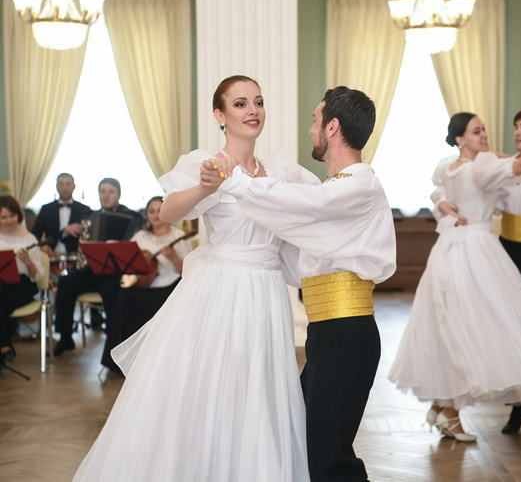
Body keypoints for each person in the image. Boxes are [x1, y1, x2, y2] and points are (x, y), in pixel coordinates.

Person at [72, 75, 312, 481]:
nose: (252, 110)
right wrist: (204, 187)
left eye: (257, 102)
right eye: (239, 104)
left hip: (266, 292)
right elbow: (167, 212)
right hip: (221, 292)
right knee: (213, 389)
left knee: (258, 393)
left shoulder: (282, 171)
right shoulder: (207, 163)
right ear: (220, 115)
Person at [203, 86, 397, 482]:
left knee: (329, 458)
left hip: (348, 333)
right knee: (308, 441)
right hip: (328, 333)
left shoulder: (359, 186)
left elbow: (302, 206)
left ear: (333, 127)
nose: (311, 130)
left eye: (314, 121)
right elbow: (297, 256)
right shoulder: (333, 190)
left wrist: (236, 181)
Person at [388, 113, 521, 442]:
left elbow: (446, 187)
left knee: (452, 325)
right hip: (481, 252)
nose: (486, 134)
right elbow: (514, 167)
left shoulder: (451, 166)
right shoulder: (482, 166)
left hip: (453, 250)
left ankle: (445, 404)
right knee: (485, 327)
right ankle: (450, 409)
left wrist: (442, 202)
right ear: (460, 138)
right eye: (477, 131)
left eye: (485, 128)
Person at [101, 196, 193, 375]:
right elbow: (128, 263)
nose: (156, 215)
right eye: (151, 211)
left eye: (160, 210)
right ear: (146, 215)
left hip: (168, 284)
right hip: (141, 285)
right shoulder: (140, 236)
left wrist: (173, 257)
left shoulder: (178, 236)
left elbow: (187, 271)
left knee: (156, 303)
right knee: (121, 300)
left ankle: (155, 364)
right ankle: (118, 363)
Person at [53, 178, 143, 357]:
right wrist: (68, 230)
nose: (106, 195)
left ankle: (113, 341)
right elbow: (70, 241)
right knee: (65, 283)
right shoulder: (88, 216)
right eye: (102, 191)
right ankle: (65, 337)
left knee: (110, 288)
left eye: (111, 191)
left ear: (119, 194)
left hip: (113, 274)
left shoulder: (133, 217)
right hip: (89, 271)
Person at [0, 195, 44, 365]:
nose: (9, 221)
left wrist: (27, 261)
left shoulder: (29, 239)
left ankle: (4, 346)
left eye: (12, 216)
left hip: (23, 286)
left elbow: (38, 276)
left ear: (19, 215)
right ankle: (4, 346)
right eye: (3, 217)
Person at [31, 173, 92, 257]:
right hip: (51, 256)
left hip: (75, 257)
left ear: (74, 186)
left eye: (68, 184)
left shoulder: (85, 210)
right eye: (61, 184)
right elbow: (35, 234)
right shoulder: (46, 209)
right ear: (56, 187)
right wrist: (42, 246)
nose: (64, 188)